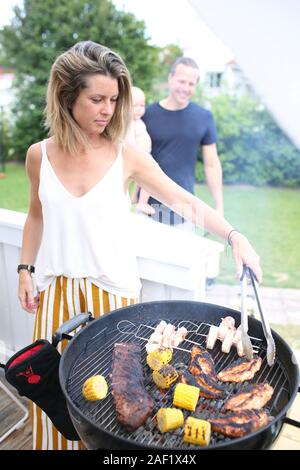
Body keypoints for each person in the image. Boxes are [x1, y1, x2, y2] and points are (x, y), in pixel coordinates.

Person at [18, 41, 261, 450]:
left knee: (110, 417)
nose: (108, 110)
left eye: (114, 99)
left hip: (112, 301)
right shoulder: (38, 156)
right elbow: (36, 216)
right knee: (56, 407)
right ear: (66, 96)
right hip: (55, 299)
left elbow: (185, 201)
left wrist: (234, 235)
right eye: (97, 99)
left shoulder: (124, 155)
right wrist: (25, 269)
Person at [140, 56, 223, 227]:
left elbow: (212, 165)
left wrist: (219, 206)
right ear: (170, 79)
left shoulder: (203, 117)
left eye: (191, 84)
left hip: (185, 212)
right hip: (148, 209)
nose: (185, 88)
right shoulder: (147, 115)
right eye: (181, 81)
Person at [126, 86, 155, 215]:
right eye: (134, 106)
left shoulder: (138, 121)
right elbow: (130, 143)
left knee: (142, 182)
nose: (139, 109)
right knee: (148, 179)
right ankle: (141, 202)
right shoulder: (129, 124)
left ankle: (137, 200)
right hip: (139, 158)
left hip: (144, 156)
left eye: (142, 106)